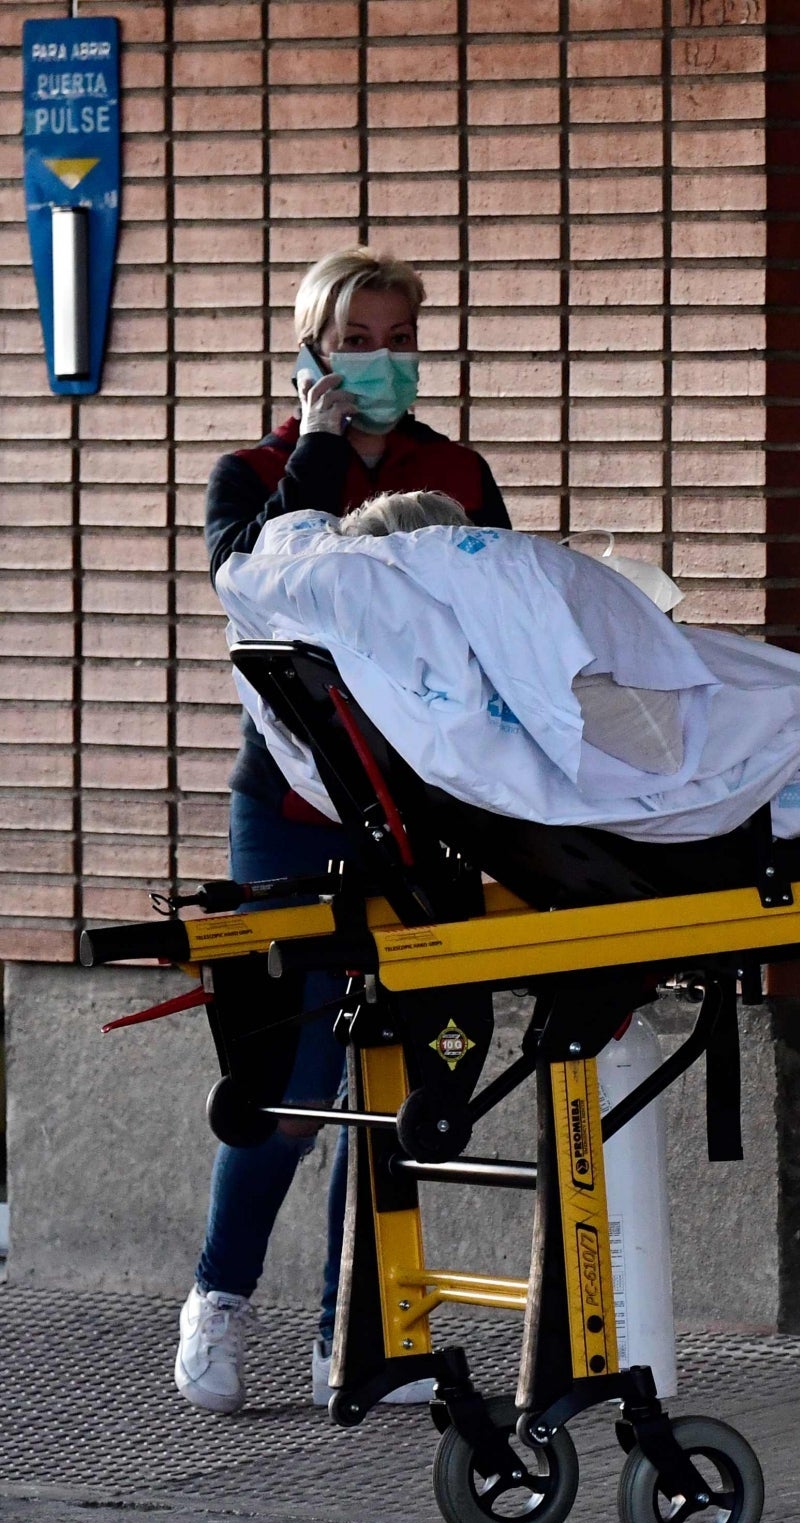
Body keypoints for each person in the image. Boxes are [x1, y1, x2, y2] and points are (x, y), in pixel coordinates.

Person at [173, 250, 511, 1415]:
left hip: (418, 811)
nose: (382, 357)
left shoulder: (455, 471)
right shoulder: (253, 470)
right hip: (294, 807)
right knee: (299, 1071)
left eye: (398, 332)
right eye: (357, 336)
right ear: (315, 348)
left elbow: (504, 613)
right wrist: (318, 449)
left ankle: (357, 1321)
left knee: (403, 1071)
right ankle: (220, 1296)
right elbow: (254, 581)